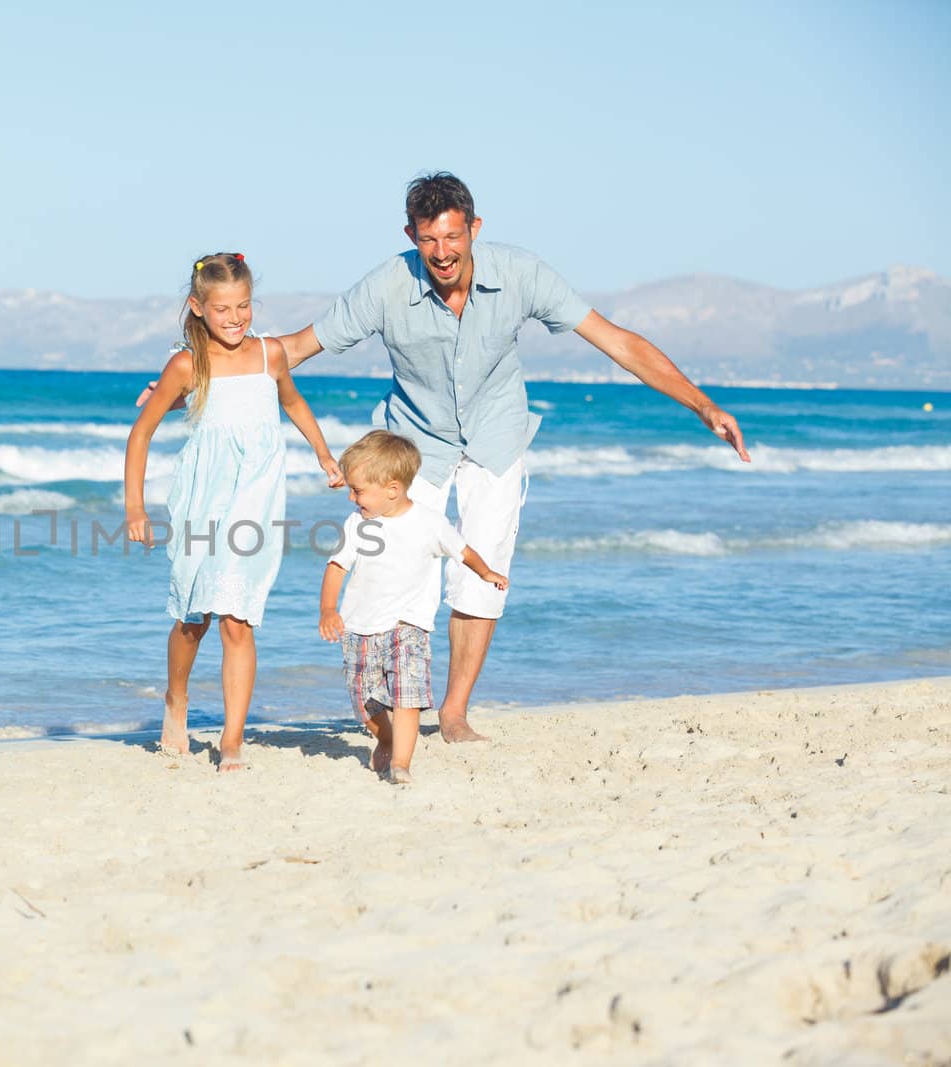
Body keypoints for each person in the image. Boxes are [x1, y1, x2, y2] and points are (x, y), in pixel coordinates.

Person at [275, 171, 751, 743]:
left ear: (474, 229)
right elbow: (294, 348)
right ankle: (393, 702)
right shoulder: (385, 285)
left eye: (453, 237)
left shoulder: (520, 274)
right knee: (395, 569)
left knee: (481, 579)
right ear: (411, 234)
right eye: (428, 240)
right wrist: (194, 375)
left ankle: (452, 713)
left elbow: (616, 341)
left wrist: (702, 405)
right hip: (416, 443)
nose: (442, 253)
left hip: (496, 438)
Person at [125, 252, 343, 772]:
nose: (234, 318)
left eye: (243, 306)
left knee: (237, 619)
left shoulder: (271, 355)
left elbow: (292, 403)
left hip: (257, 500)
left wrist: (323, 453)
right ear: (197, 307)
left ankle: (231, 741)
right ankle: (175, 700)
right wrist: (135, 507)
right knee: (192, 619)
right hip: (203, 498)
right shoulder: (186, 365)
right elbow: (141, 433)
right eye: (222, 308)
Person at [318, 431, 508, 784]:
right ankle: (386, 737)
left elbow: (462, 551)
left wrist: (486, 573)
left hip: (409, 625)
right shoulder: (358, 524)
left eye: (358, 490)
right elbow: (337, 567)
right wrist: (329, 610)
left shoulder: (430, 522)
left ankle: (401, 763)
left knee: (408, 695)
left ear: (391, 488)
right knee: (364, 703)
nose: (351, 497)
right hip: (360, 628)